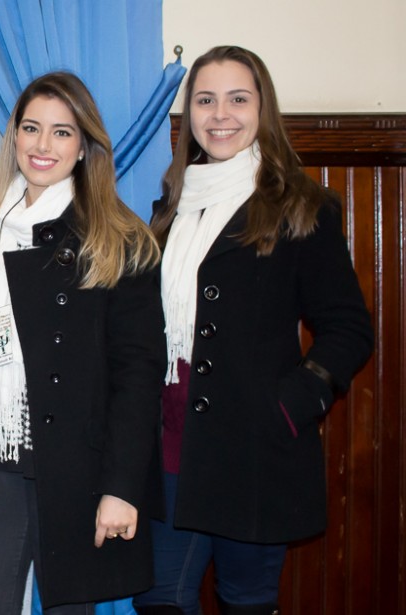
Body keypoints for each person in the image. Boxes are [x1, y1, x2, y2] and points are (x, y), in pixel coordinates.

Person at [131, 46, 374, 615]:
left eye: (237, 99)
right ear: (189, 113)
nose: (221, 114)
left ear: (262, 108)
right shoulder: (170, 208)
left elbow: (348, 328)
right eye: (205, 100)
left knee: (245, 601)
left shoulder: (301, 205)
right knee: (160, 600)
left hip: (255, 448)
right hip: (171, 443)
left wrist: (289, 406)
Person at [0, 72, 167, 614]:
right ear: (14, 137)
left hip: (79, 472)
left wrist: (121, 488)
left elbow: (138, 376)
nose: (43, 145)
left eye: (62, 132)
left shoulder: (119, 239)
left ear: (84, 147)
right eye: (31, 128)